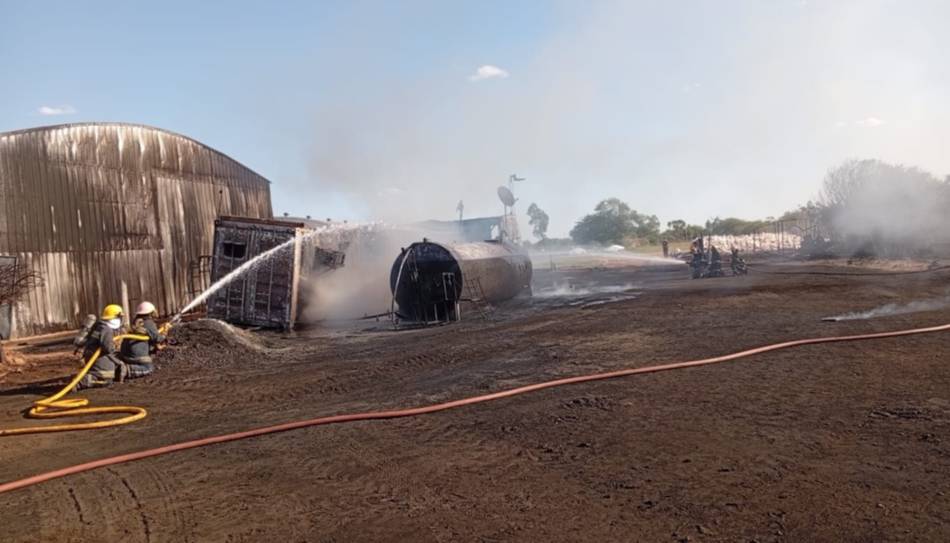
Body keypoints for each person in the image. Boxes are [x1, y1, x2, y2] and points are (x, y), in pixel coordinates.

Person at [78, 304, 127, 389]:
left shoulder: (99, 326)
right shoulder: (107, 330)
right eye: (120, 317)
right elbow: (108, 349)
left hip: (92, 356)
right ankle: (81, 382)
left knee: (110, 372)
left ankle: (88, 377)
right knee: (106, 379)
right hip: (98, 358)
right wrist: (119, 362)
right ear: (115, 317)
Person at [119, 301, 166, 379]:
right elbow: (157, 339)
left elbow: (150, 337)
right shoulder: (149, 323)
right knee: (148, 368)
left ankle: (125, 364)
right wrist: (164, 334)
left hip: (125, 353)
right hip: (136, 354)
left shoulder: (136, 321)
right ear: (150, 313)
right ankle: (128, 370)